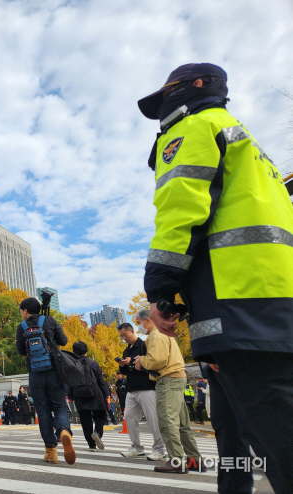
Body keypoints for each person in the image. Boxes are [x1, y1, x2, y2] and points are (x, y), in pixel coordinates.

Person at [139, 62, 293, 493]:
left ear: (196, 86)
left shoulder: (195, 127)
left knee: (278, 441)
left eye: (168, 95)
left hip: (238, 307)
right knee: (234, 438)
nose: (164, 109)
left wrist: (161, 286)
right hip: (269, 303)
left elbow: (180, 208)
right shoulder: (250, 145)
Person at [134, 308, 202, 473]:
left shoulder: (156, 335)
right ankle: (194, 460)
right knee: (181, 423)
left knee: (167, 421)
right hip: (178, 377)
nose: (139, 327)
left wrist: (141, 360)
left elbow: (158, 360)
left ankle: (177, 461)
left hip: (168, 379)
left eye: (138, 323)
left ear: (148, 320)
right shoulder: (165, 333)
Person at [16, 297, 75, 465]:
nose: (21, 314)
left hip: (35, 373)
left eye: (21, 311)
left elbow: (21, 350)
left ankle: (51, 451)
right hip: (55, 371)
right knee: (59, 406)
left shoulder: (22, 327)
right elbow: (63, 341)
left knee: (42, 411)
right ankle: (64, 432)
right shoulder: (49, 320)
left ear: (26, 311)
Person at [117, 322, 167, 461]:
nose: (124, 338)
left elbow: (151, 363)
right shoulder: (126, 350)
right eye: (122, 336)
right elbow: (127, 371)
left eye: (125, 335)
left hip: (147, 387)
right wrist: (123, 365)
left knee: (153, 419)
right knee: (129, 418)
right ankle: (137, 448)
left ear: (132, 331)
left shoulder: (144, 345)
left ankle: (159, 449)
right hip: (131, 389)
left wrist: (131, 361)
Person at [67, 341, 109, 452]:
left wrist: (70, 396)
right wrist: (106, 394)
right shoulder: (93, 364)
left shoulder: (72, 364)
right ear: (86, 351)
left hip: (79, 396)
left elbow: (70, 382)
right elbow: (101, 381)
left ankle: (91, 445)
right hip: (95, 394)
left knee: (85, 420)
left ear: (74, 351)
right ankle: (97, 433)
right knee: (101, 416)